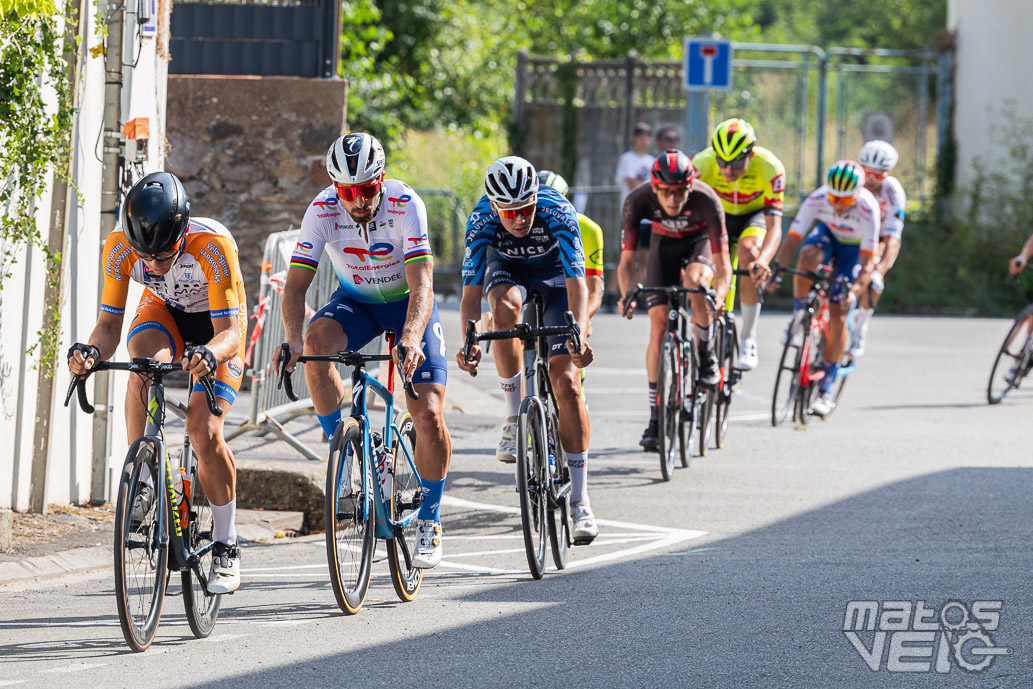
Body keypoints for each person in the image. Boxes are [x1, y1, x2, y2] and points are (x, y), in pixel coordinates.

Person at [279, 132, 452, 569]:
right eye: (347, 193)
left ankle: (429, 517)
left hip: (406, 306)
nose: (356, 201)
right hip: (356, 303)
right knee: (317, 349)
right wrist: (294, 338)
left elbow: (422, 284)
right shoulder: (322, 209)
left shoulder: (406, 204)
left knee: (428, 413)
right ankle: (346, 454)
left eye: (366, 190)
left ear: (382, 179)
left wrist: (411, 336)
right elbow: (296, 285)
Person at [68, 171, 247, 594]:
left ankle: (226, 543)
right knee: (142, 364)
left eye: (162, 256)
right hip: (164, 311)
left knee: (203, 431)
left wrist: (208, 354)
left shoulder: (212, 246)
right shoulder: (119, 247)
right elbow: (108, 326)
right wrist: (91, 352)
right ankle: (145, 476)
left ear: (182, 232)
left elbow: (232, 334)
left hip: (217, 327)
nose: (150, 265)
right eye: (142, 256)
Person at [458, 156, 598, 545]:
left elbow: (578, 285)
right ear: (495, 206)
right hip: (508, 273)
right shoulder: (481, 218)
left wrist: (579, 337)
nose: (519, 219)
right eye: (510, 212)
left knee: (567, 382)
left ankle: (581, 499)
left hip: (556, 279)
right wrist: (468, 340)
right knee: (502, 310)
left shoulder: (557, 209)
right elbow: (470, 294)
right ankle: (512, 418)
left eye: (526, 210)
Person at [617, 150, 732, 452]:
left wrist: (718, 296)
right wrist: (627, 295)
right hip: (663, 246)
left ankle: (706, 353)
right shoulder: (637, 200)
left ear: (690, 186)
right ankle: (655, 420)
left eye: (680, 191)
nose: (673, 199)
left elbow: (724, 264)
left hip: (699, 243)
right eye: (666, 192)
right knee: (657, 326)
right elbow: (626, 263)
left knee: (695, 284)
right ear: (654, 187)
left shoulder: (708, 201)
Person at [770, 160, 880, 417]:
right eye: (833, 197)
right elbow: (791, 240)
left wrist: (853, 292)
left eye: (844, 199)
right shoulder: (818, 199)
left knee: (839, 313)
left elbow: (866, 264)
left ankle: (826, 388)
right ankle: (799, 316)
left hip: (854, 251)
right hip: (828, 237)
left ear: (858, 194)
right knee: (807, 254)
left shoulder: (868, 208)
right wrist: (778, 273)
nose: (837, 204)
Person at [692, 118, 786, 370]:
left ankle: (748, 338)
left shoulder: (770, 168)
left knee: (750, 253)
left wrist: (763, 261)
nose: (727, 171)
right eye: (721, 162)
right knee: (703, 268)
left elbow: (774, 227)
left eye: (735, 163)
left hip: (751, 217)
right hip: (717, 215)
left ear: (751, 154)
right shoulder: (701, 164)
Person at [850, 140, 906, 357]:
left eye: (878, 175)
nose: (871, 180)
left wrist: (879, 271)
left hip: (879, 239)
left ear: (888, 173)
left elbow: (892, 238)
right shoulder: (851, 180)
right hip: (852, 234)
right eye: (867, 173)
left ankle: (860, 327)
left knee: (873, 281)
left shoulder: (893, 191)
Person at [616, 123, 656, 286]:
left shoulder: (653, 161)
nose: (645, 140)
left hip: (649, 216)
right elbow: (632, 184)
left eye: (647, 136)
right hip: (631, 215)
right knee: (626, 257)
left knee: (646, 257)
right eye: (642, 136)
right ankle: (614, 293)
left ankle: (636, 292)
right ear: (634, 138)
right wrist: (649, 185)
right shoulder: (627, 158)